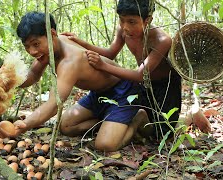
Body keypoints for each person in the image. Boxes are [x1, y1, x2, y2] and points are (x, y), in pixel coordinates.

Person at [0, 11, 152, 152]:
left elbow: (54, 104)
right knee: (67, 126)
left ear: (52, 34)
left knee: (105, 145)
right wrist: (6, 80)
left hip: (124, 91)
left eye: (36, 44)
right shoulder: (51, 48)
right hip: (99, 94)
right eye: (27, 46)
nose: (32, 51)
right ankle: (110, 122)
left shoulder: (69, 62)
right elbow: (33, 74)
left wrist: (24, 125)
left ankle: (136, 118)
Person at [62, 0, 182, 139]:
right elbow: (110, 53)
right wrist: (81, 42)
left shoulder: (161, 40)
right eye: (121, 20)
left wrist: (103, 66)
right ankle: (114, 125)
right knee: (137, 123)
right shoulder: (123, 32)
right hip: (142, 87)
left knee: (162, 135)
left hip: (166, 87)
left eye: (131, 22)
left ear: (147, 20)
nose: (125, 27)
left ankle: (190, 116)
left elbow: (140, 74)